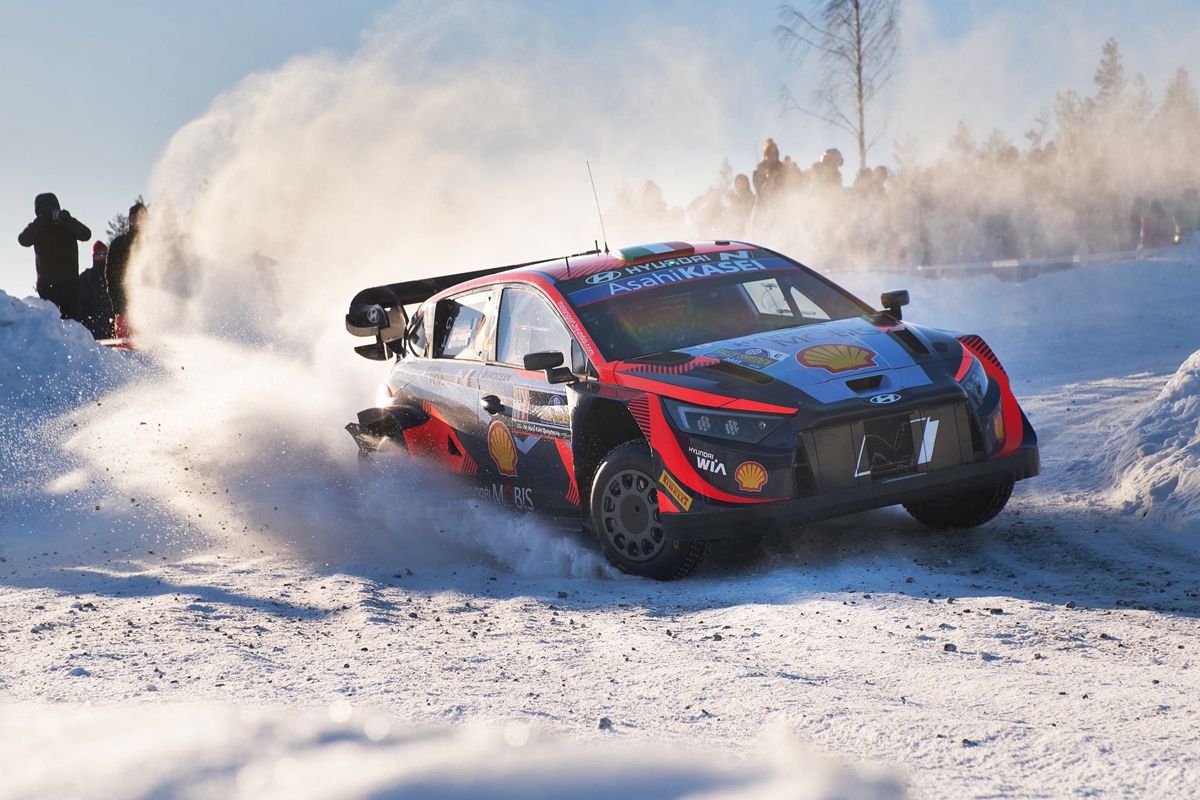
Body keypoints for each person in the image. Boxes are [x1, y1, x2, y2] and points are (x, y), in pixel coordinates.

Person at [17, 193, 91, 320]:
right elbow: (24, 240)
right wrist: (43, 219)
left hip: (69, 284)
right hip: (48, 286)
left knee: (73, 324)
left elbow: (86, 234)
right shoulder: (39, 226)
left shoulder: (66, 223)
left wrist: (67, 220)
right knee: (51, 323)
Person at [106, 201, 145, 338]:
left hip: (148, 306)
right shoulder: (119, 244)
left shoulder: (152, 244)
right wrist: (117, 304)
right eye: (138, 217)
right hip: (125, 305)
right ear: (130, 220)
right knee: (126, 347)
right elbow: (111, 276)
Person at [79, 241, 114, 339]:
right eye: (99, 254)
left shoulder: (113, 275)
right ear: (94, 256)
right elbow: (80, 302)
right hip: (92, 326)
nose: (102, 257)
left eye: (105, 254)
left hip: (111, 325)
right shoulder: (86, 277)